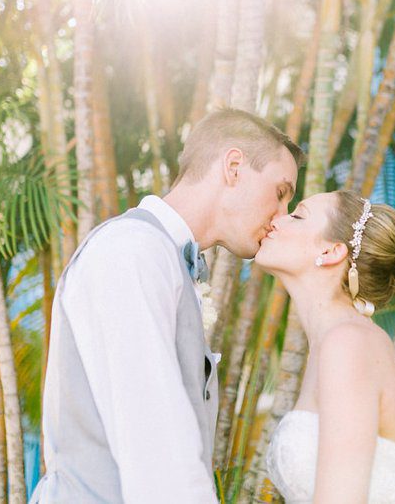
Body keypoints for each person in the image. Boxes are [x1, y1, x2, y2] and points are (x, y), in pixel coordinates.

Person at [31, 108, 304, 503]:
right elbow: (157, 448)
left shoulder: (161, 257)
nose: (280, 217)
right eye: (280, 193)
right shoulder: (132, 250)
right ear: (233, 167)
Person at [254, 190, 395, 503]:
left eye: (297, 216)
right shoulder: (337, 342)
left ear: (333, 251)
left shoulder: (348, 344)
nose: (276, 220)